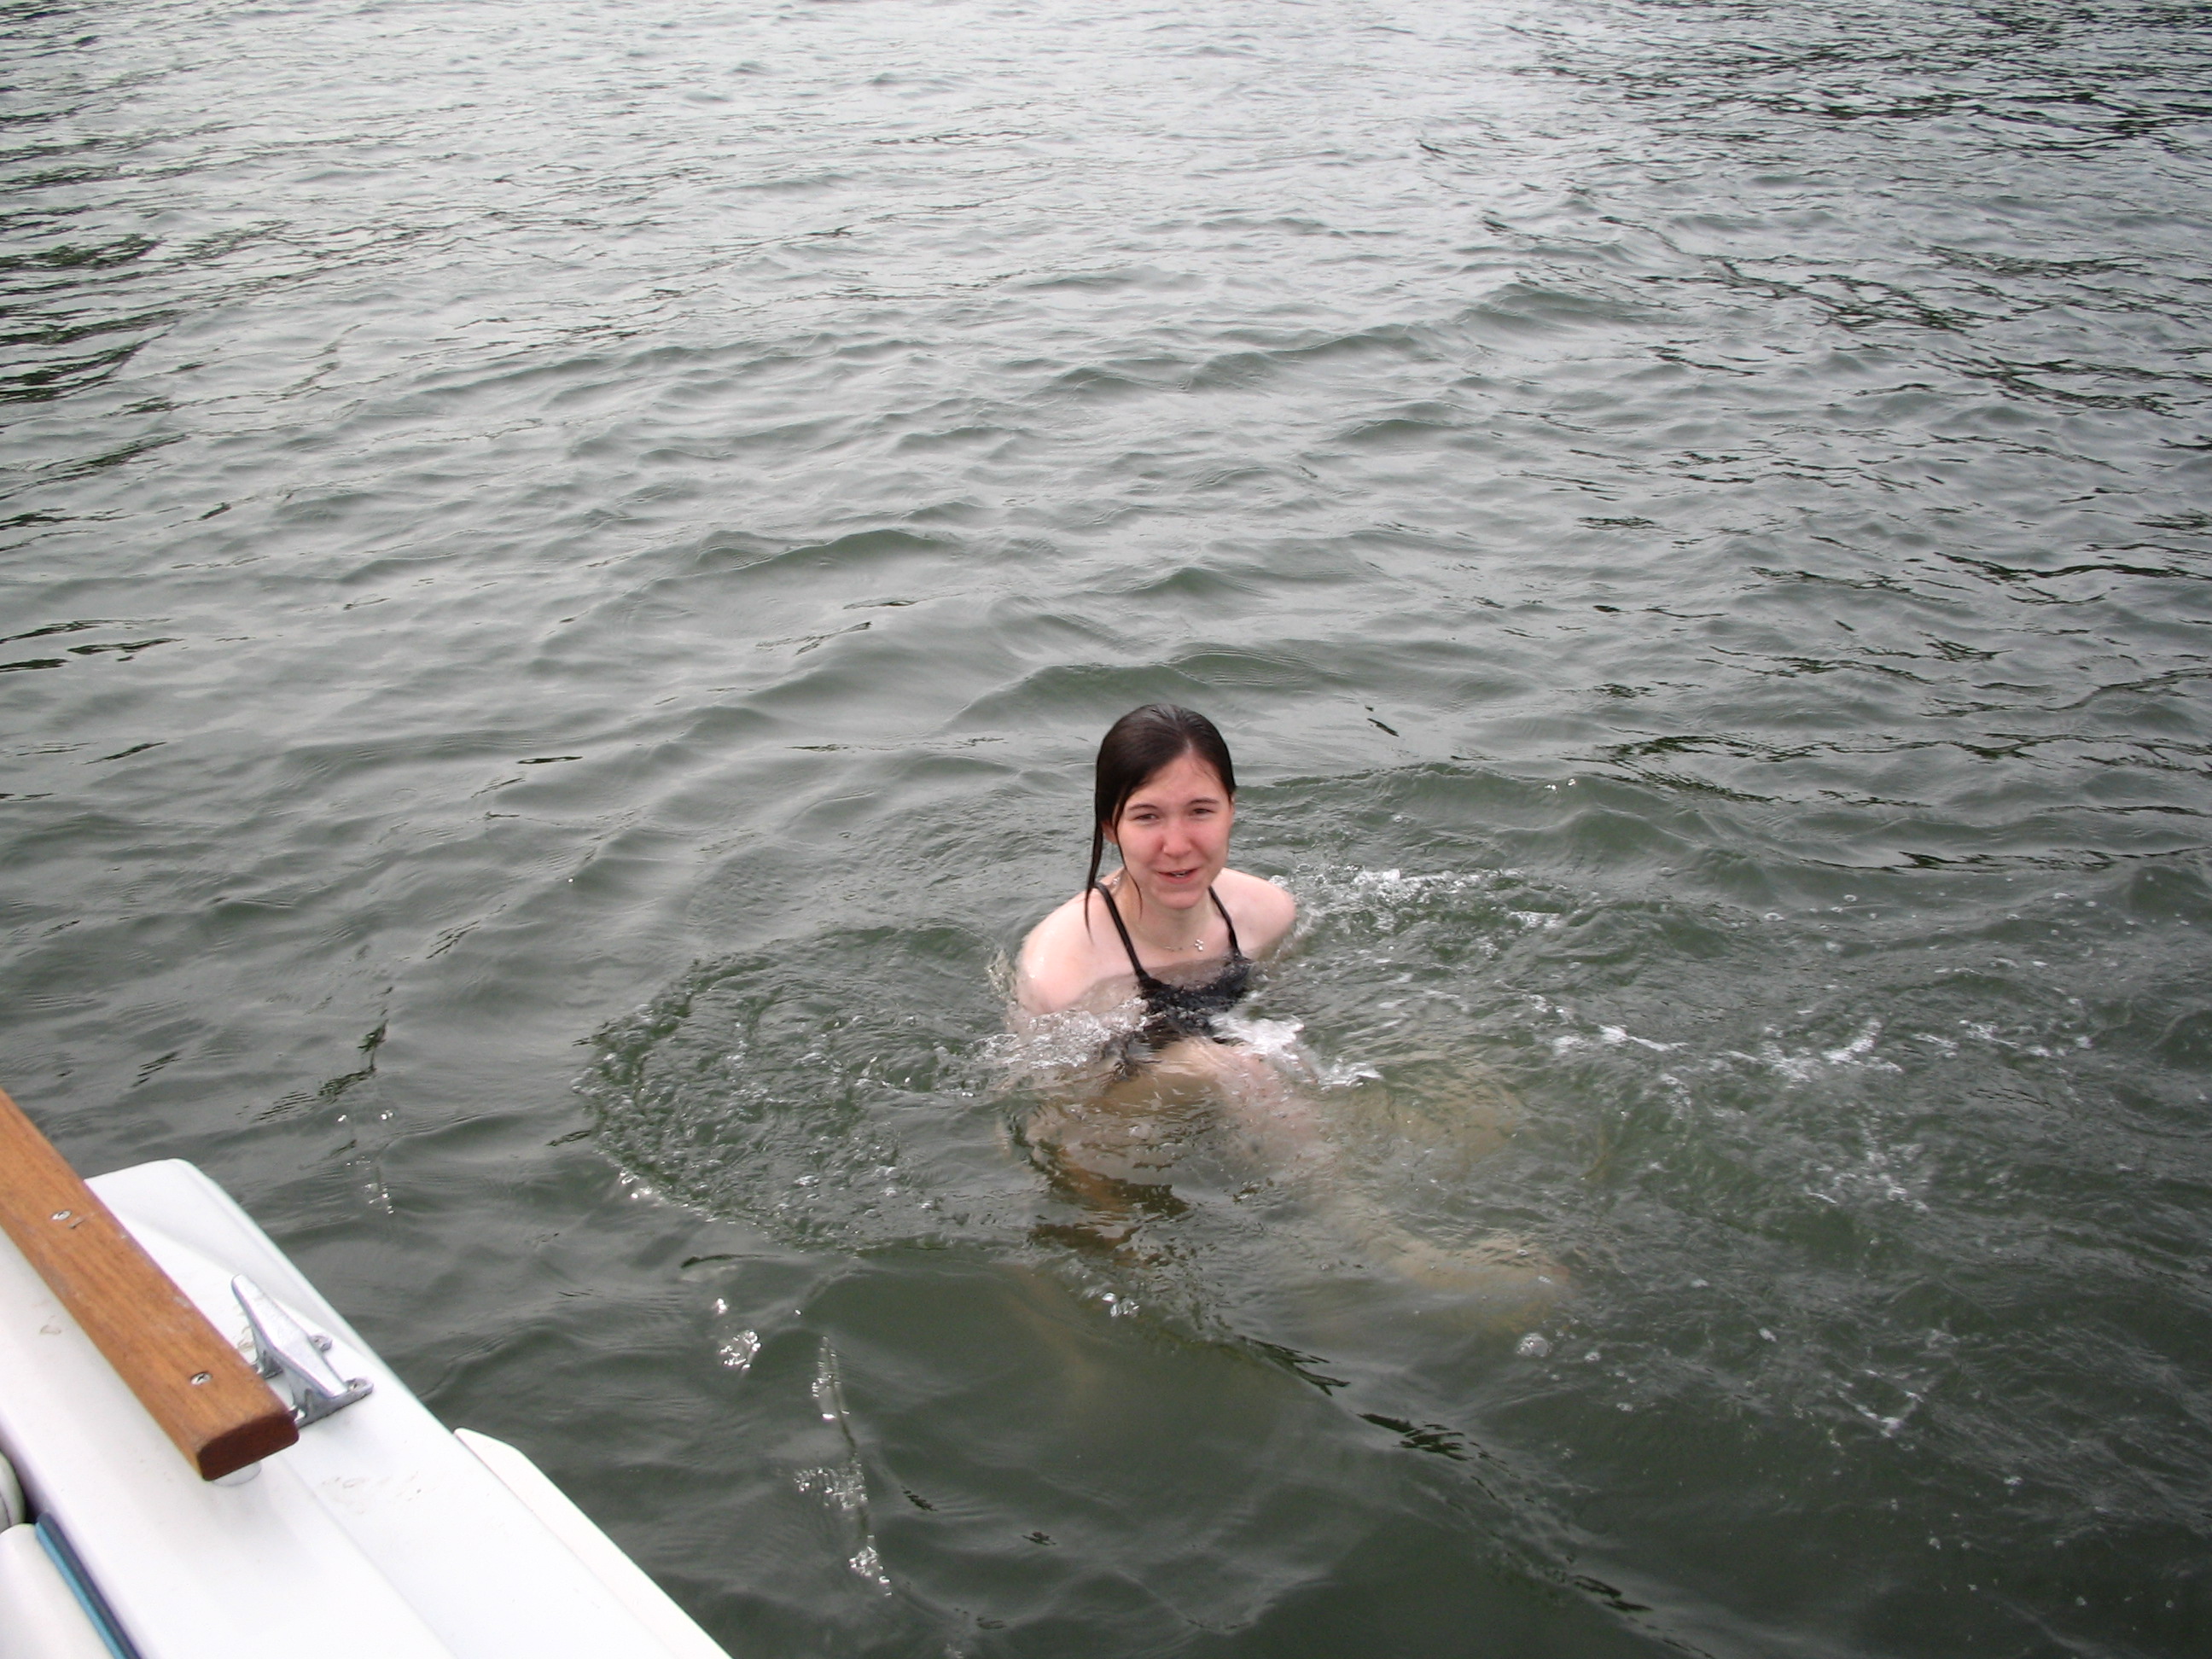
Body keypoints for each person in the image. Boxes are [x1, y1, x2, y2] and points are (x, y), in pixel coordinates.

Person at [1016, 703, 1295, 1045]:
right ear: (1110, 827)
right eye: (1147, 817)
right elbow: (1057, 1081)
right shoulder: (1062, 974)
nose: (1176, 846)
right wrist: (1184, 1064)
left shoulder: (1270, 914)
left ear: (1231, 810)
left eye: (1200, 811)